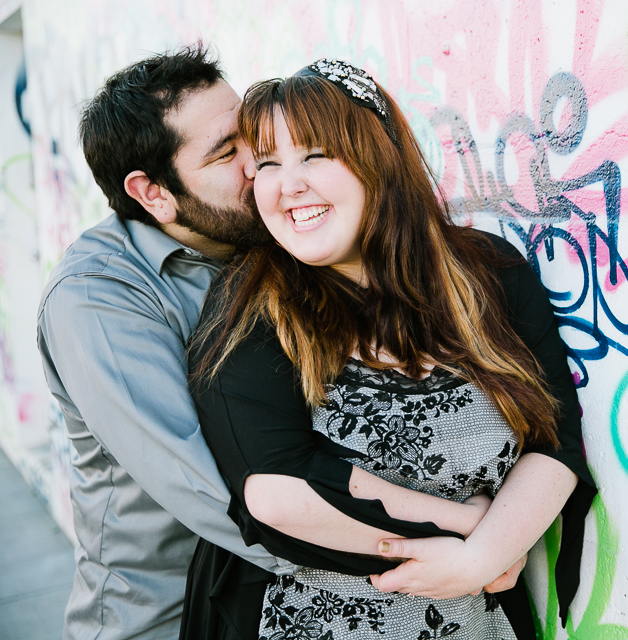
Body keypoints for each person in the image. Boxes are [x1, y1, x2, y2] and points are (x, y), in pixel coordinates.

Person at [184, 59, 596, 640]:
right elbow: (275, 494)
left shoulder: (489, 274)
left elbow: (554, 440)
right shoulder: (253, 306)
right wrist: (468, 529)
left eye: (314, 155)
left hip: (479, 619)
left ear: (376, 157)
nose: (288, 183)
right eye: (268, 164)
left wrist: (480, 560)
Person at [36, 45, 299, 640]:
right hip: (167, 616)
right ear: (153, 193)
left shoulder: (272, 233)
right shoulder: (98, 299)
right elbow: (205, 487)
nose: (260, 162)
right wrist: (398, 562)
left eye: (251, 134)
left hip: (288, 605)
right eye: (228, 153)